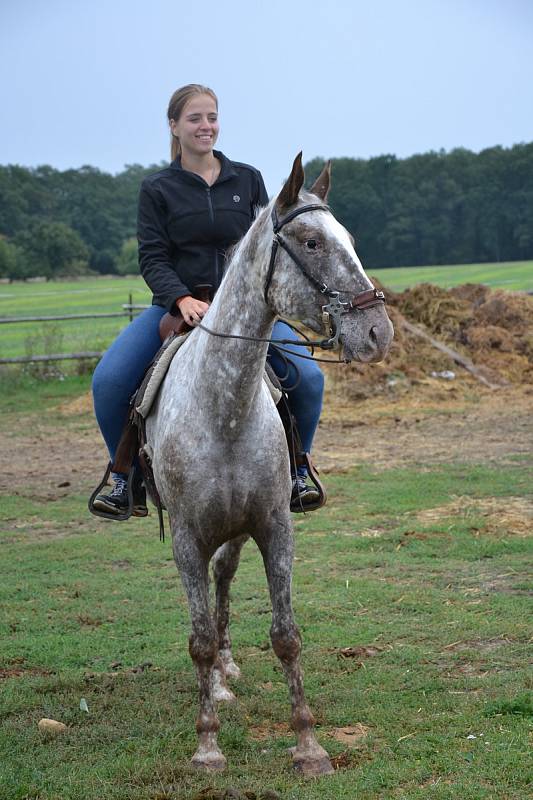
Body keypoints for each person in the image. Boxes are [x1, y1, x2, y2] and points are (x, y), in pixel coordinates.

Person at [92, 84, 324, 517]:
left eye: (212, 117)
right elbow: (153, 257)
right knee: (108, 381)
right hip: (181, 309)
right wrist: (179, 298)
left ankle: (298, 471)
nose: (206, 126)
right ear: (174, 126)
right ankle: (125, 479)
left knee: (309, 380)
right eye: (195, 118)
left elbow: (266, 247)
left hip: (249, 311)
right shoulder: (157, 188)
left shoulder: (248, 179)